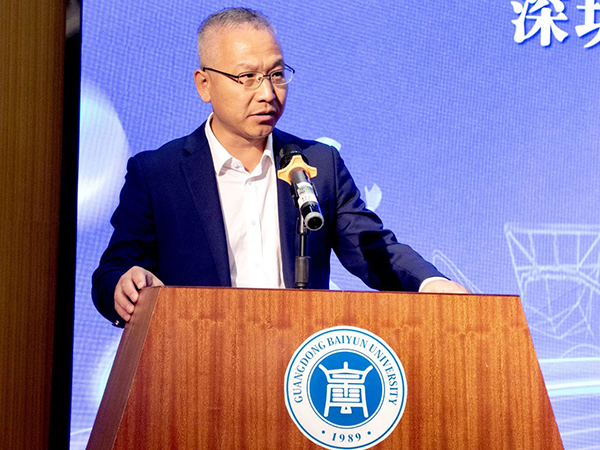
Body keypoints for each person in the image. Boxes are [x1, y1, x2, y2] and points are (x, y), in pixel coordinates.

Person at [92, 7, 468, 327]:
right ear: (204, 85)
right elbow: (112, 273)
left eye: (276, 74)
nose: (268, 93)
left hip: (298, 368)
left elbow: (372, 247)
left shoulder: (318, 164)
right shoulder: (158, 173)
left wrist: (428, 282)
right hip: (200, 362)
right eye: (247, 77)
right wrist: (123, 284)